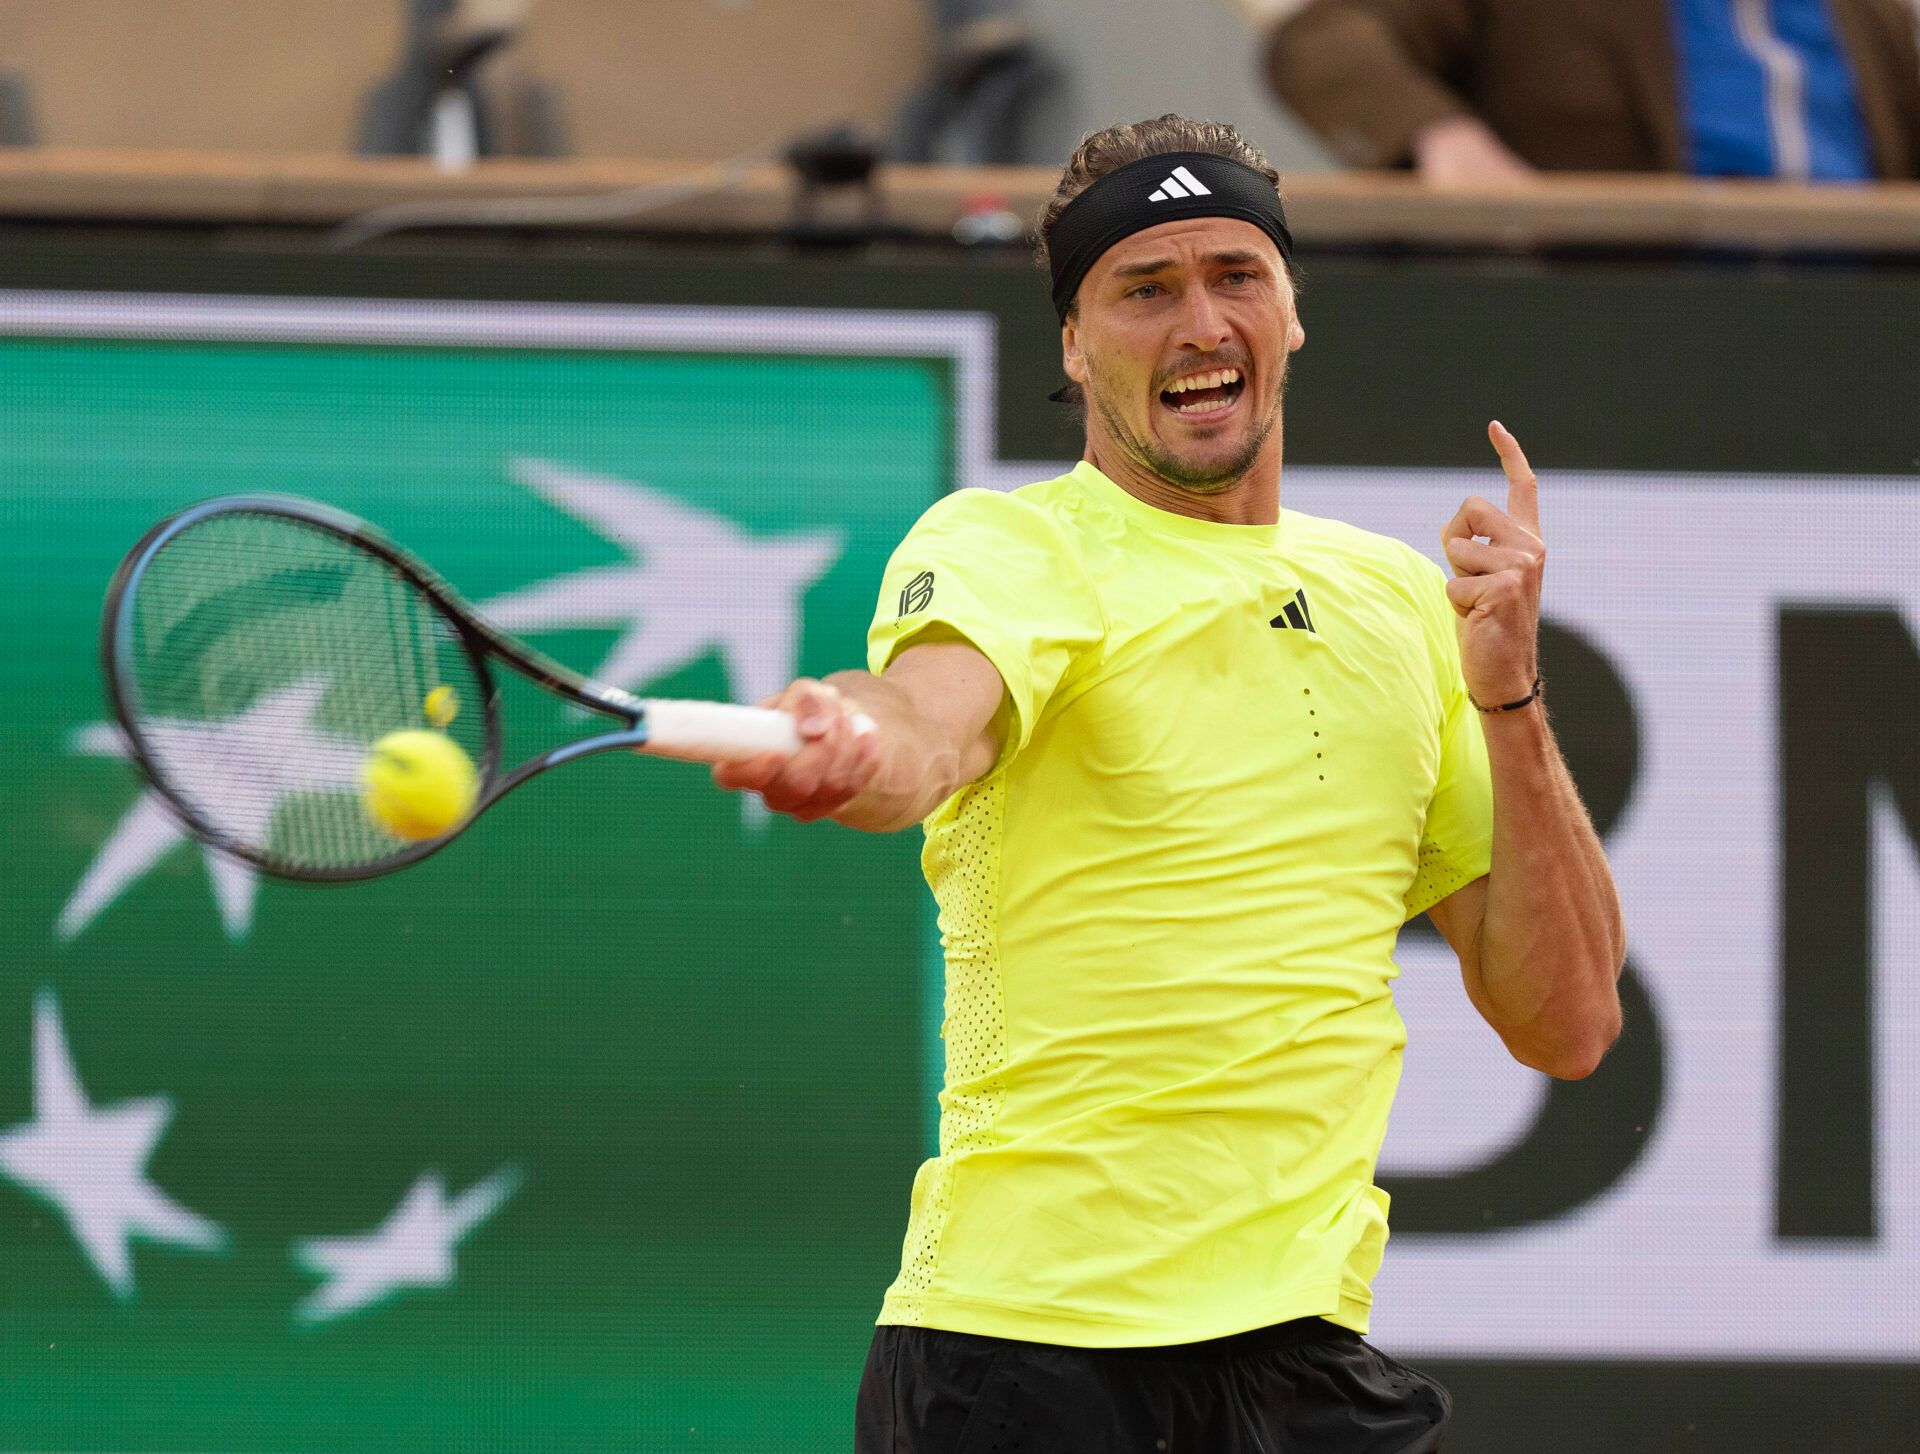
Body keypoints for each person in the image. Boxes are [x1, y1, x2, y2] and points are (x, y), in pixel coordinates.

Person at [713, 114, 1624, 1453]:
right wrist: (850, 738)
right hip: (1023, 1360)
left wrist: (1506, 691)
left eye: (1234, 276)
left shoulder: (1396, 601)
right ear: (1077, 346)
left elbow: (1570, 1023)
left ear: (1292, 312)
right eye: (1145, 289)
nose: (1200, 321)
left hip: (1302, 1366)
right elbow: (922, 724)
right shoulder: (1011, 549)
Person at [1266, 0, 1920, 183]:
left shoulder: (1875, 19)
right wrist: (1438, 135)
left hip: (1854, 348)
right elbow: (1323, 42)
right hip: (1619, 339)